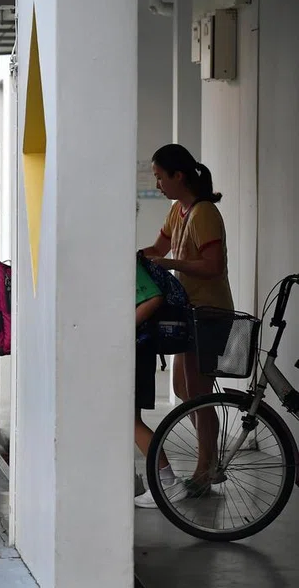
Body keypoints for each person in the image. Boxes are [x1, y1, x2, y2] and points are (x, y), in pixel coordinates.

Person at [141, 143, 233, 490]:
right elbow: (157, 249)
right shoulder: (178, 211)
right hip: (190, 314)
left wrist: (169, 264)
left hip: (210, 313)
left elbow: (213, 266)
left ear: (178, 176)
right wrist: (134, 256)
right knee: (185, 389)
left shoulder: (204, 212)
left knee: (198, 392)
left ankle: (206, 469)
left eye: (161, 177)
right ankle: (209, 462)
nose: (158, 184)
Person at [133, 257, 187, 507]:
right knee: (126, 421)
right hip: (135, 350)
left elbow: (154, 297)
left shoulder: (125, 260)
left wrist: (123, 329)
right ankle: (159, 481)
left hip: (137, 351)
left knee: (128, 421)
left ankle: (168, 483)